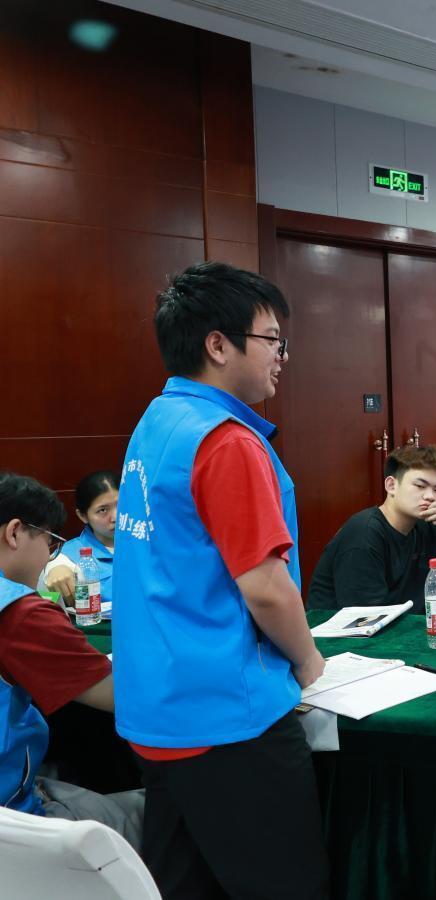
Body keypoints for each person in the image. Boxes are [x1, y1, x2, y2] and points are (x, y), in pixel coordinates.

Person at [114, 262, 328, 899]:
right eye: (272, 340)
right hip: (230, 717)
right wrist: (309, 662)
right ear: (218, 344)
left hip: (160, 709)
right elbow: (264, 586)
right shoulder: (227, 441)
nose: (281, 357)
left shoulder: (157, 420)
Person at [0, 472, 143, 845]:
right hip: (13, 813)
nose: (50, 556)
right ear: (14, 533)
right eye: (49, 541)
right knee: (160, 815)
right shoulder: (21, 613)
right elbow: (121, 696)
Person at [307, 444, 436, 616]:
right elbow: (363, 619)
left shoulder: (427, 522)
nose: (430, 496)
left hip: (399, 617)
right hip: (345, 635)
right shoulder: (364, 533)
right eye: (420, 486)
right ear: (391, 485)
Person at [41, 470, 119, 608]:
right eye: (102, 510)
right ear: (83, 516)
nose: (115, 517)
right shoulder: (67, 556)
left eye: (121, 505)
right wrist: (55, 569)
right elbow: (55, 569)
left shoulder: (148, 543)